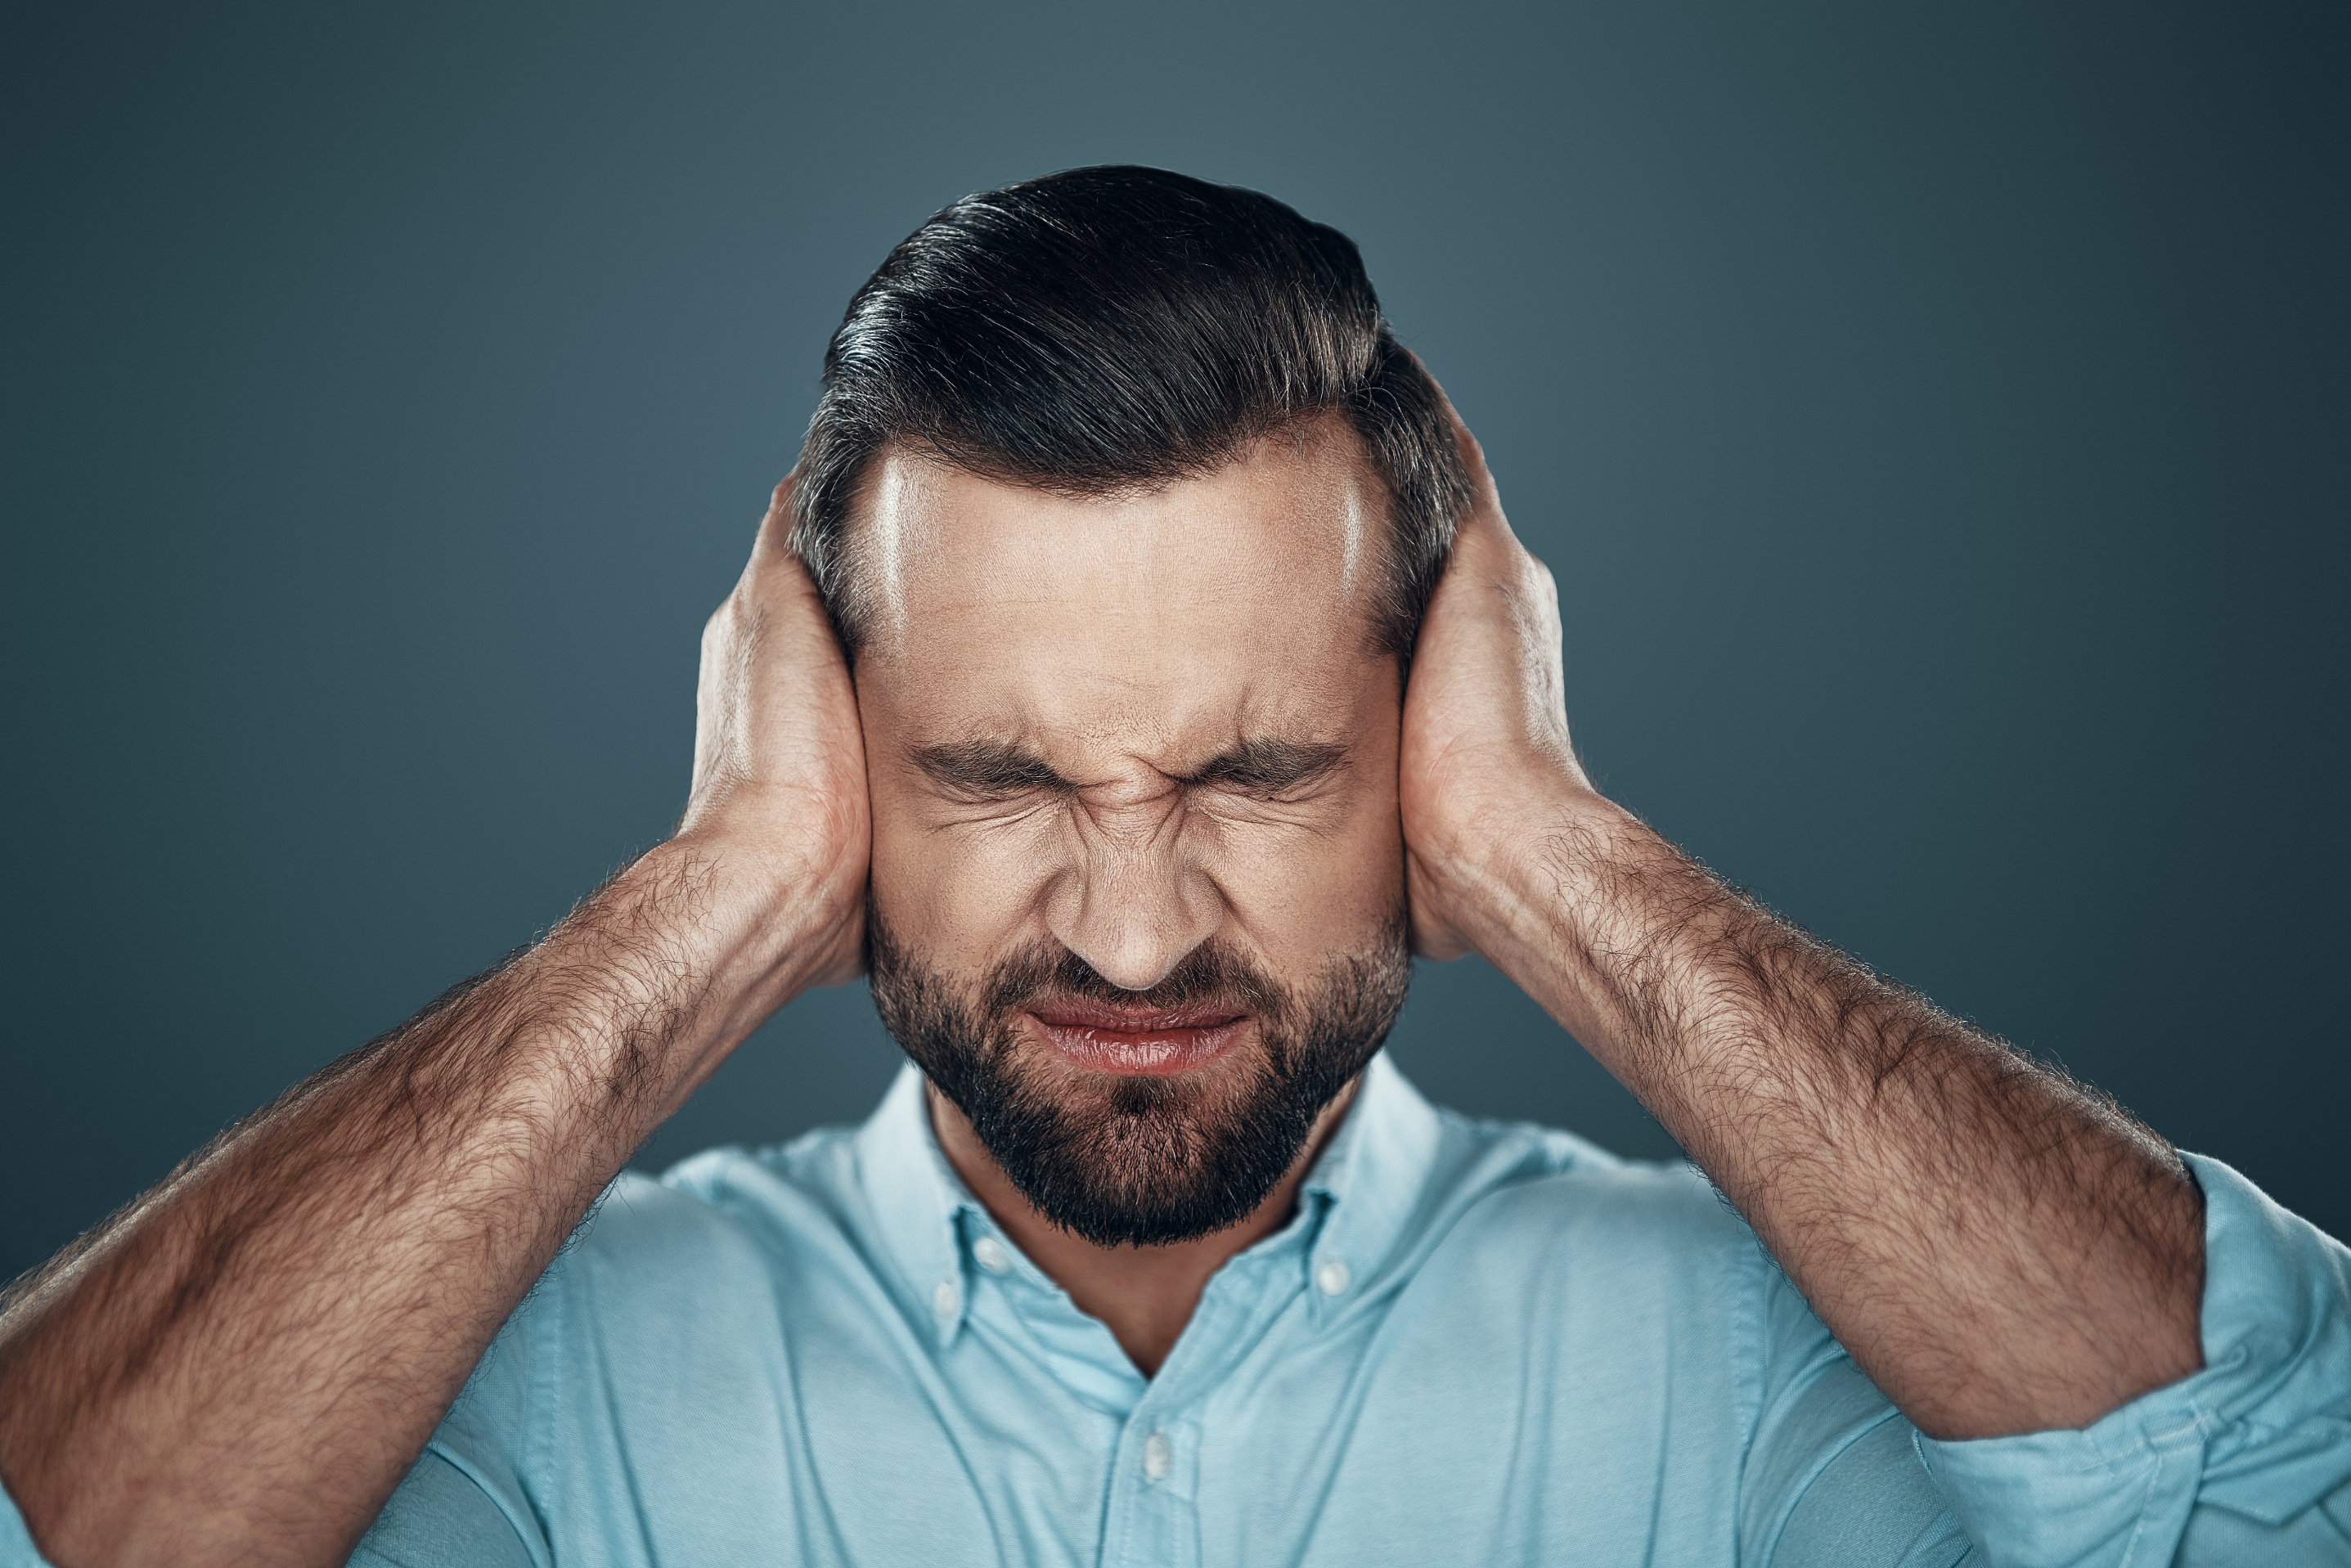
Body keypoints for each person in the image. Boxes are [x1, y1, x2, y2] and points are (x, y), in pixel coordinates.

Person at [1, 166, 2344, 1568]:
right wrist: (700, 902)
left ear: (1431, 730)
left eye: (1256, 773)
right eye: (998, 779)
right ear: (825, 741)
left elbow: (2280, 1504)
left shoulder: (1750, 1350)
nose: (1131, 934)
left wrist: (1548, 851)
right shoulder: (521, 1368)